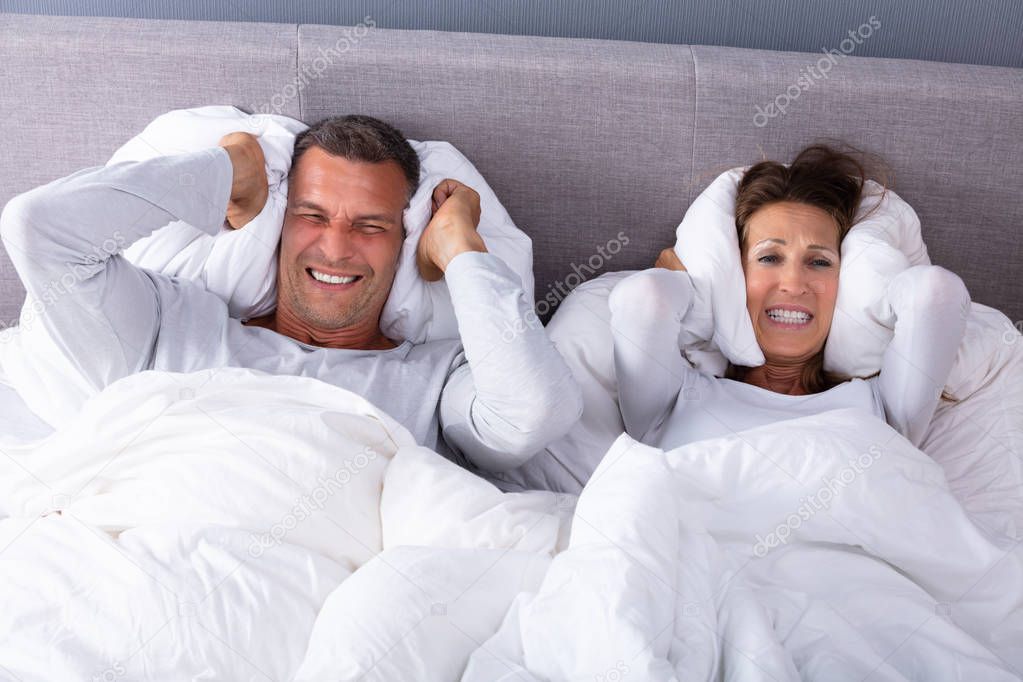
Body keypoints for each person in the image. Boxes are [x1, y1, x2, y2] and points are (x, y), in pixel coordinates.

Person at [0, 115, 582, 472]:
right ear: (279, 222)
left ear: (408, 241)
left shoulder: (436, 381)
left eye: (372, 224)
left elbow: (534, 413)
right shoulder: (170, 323)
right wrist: (228, 171)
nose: (336, 247)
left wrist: (458, 246)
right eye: (312, 215)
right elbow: (38, 228)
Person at [609, 145, 969, 450]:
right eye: (769, 258)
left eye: (819, 262)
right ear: (734, 274)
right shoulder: (669, 401)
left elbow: (935, 294)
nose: (795, 284)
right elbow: (643, 298)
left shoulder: (887, 408)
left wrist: (871, 249)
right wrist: (700, 286)